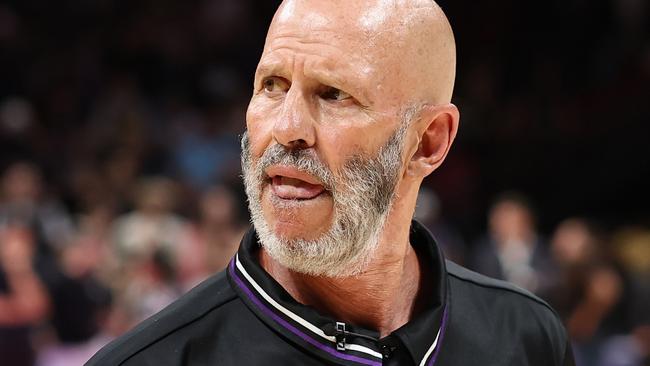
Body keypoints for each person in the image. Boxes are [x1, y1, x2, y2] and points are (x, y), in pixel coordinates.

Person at [87, 0, 574, 365]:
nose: (286, 128)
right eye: (271, 86)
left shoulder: (527, 336)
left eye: (334, 94)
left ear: (428, 142)